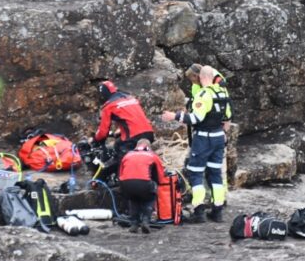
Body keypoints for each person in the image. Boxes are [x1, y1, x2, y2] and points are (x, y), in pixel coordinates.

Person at [160, 67, 231, 223]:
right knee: (215, 174)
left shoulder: (204, 94)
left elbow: (195, 118)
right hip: (219, 137)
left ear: (201, 77)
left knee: (196, 174)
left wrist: (174, 116)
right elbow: (227, 117)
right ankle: (217, 211)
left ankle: (199, 211)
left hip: (204, 139)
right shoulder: (222, 92)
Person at [118, 138, 166, 234]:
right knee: (150, 196)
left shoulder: (127, 155)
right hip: (144, 185)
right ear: (148, 147)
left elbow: (120, 174)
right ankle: (145, 221)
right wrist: (158, 184)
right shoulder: (152, 155)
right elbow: (161, 176)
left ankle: (134, 223)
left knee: (133, 199)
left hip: (126, 185)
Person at [93, 80, 155, 154]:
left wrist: (95, 140)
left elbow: (103, 131)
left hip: (133, 137)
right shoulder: (131, 98)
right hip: (149, 134)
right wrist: (120, 131)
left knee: (118, 148)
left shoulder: (109, 106)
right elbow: (134, 119)